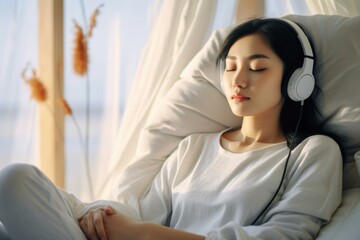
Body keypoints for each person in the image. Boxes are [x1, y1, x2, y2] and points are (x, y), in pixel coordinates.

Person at [0, 18, 342, 240]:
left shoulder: (314, 152)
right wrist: (98, 214)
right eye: (231, 67)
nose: (238, 79)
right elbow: (140, 212)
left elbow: (286, 235)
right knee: (15, 180)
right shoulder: (193, 146)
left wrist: (146, 234)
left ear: (298, 80)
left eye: (257, 67)